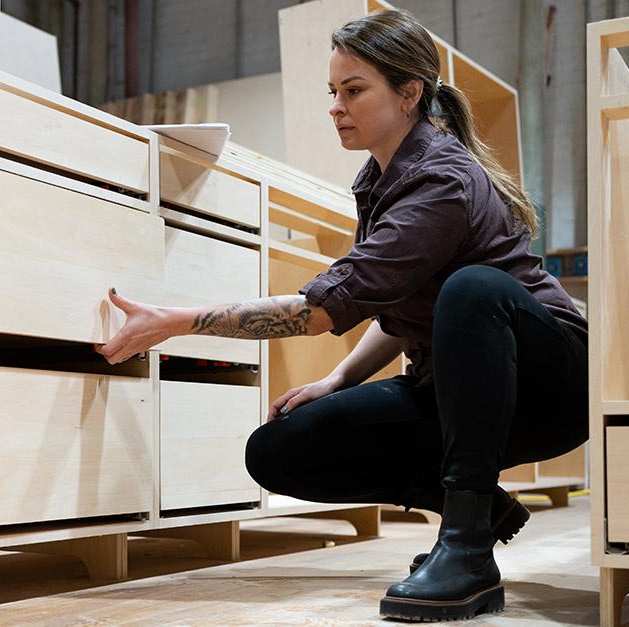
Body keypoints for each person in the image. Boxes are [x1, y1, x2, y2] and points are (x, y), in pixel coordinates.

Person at [94, 8, 588, 623]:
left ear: (409, 94)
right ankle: (476, 506)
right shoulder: (378, 179)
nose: (335, 106)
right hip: (461, 391)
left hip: (551, 384)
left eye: (354, 91)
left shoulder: (441, 179)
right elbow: (390, 305)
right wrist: (336, 382)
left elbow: (323, 310)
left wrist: (177, 321)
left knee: (472, 290)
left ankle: (465, 549)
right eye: (333, 91)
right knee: (281, 449)